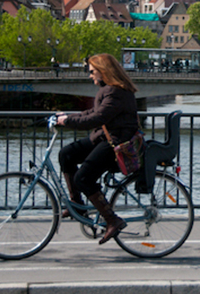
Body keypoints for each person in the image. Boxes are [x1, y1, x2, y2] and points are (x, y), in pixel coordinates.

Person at [55, 53, 140, 245]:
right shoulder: (108, 90)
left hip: (116, 143)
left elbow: (97, 119)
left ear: (103, 71)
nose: (90, 75)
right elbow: (92, 112)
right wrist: (68, 116)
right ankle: (78, 205)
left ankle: (112, 220)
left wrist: (68, 121)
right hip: (105, 138)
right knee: (66, 154)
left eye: (92, 71)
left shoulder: (117, 92)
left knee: (83, 177)